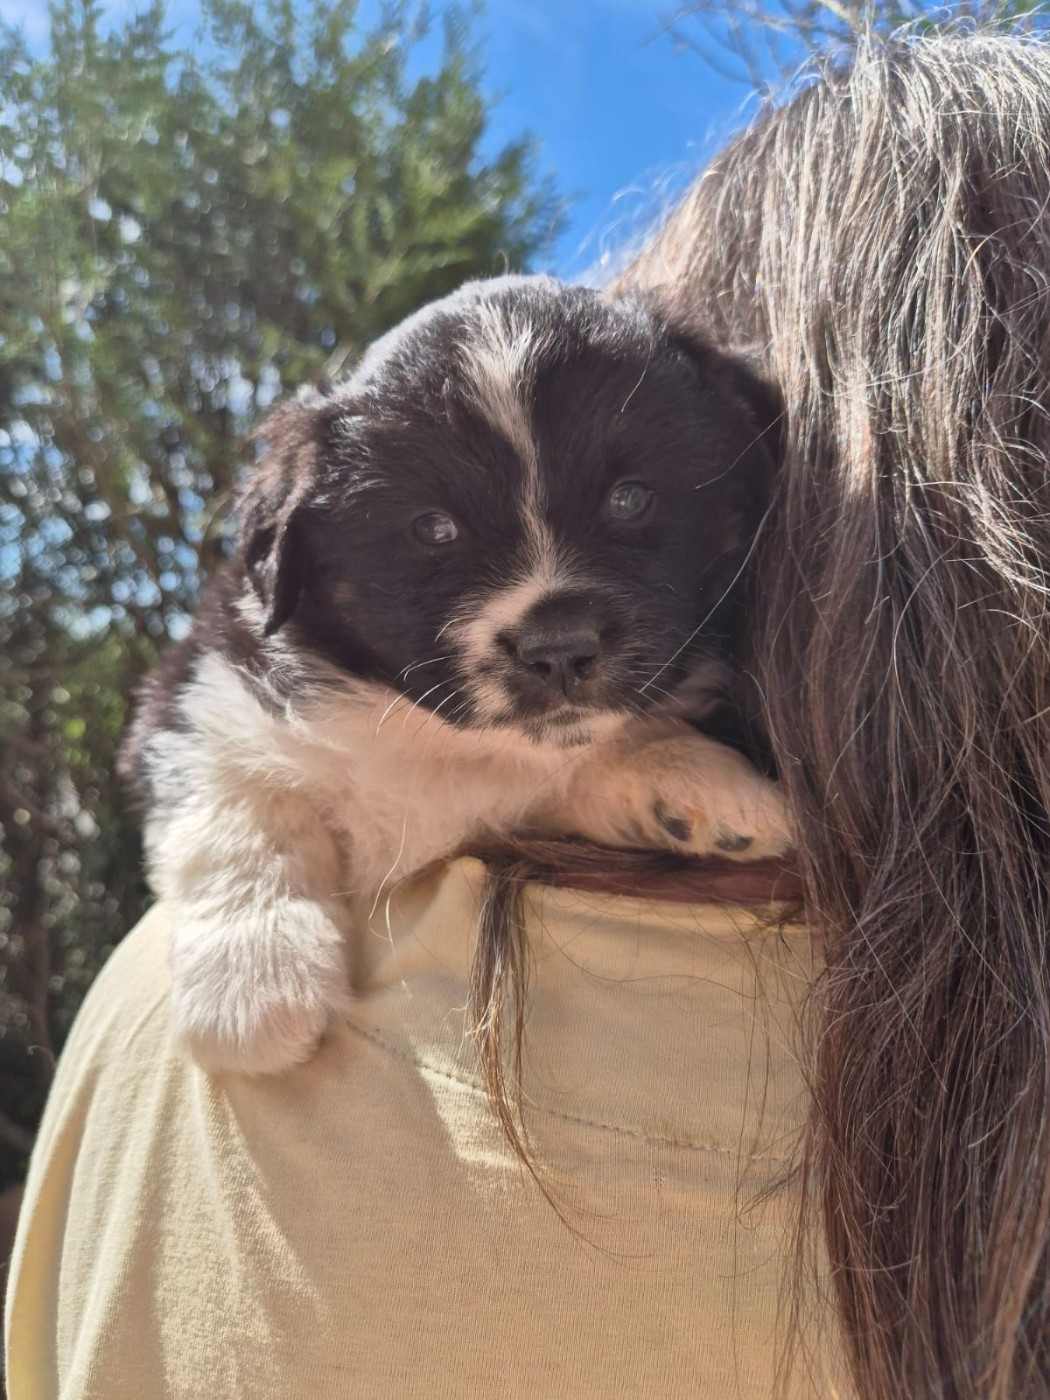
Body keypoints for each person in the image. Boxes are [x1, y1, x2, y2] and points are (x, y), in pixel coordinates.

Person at [7, 32, 1050, 1399]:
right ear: (298, 566)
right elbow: (194, 750)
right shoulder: (297, 704)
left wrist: (640, 761)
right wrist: (242, 883)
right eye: (438, 538)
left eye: (625, 512)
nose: (549, 610)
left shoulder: (133, 1042)